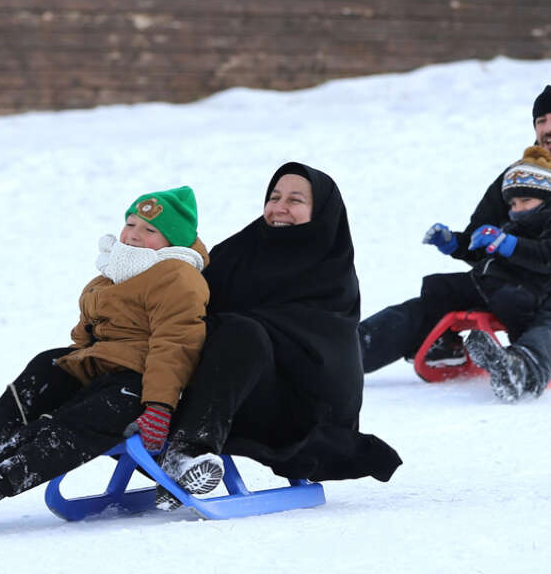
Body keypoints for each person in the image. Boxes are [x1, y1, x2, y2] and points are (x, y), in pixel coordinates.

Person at [0, 186, 210, 529]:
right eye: (131, 223)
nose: (134, 235)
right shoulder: (111, 274)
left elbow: (176, 344)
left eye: (150, 230)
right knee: (48, 365)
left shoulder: (177, 275)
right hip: (102, 370)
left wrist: (160, 408)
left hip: (142, 383)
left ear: (172, 242)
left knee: (65, 423)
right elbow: (84, 336)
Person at [360, 83, 551, 402]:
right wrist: (463, 243)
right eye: (541, 121)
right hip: (521, 273)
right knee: (436, 299)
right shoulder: (520, 175)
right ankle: (342, 353)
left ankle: (523, 369)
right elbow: (481, 234)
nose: (549, 128)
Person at [153, 162, 401, 510]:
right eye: (274, 196)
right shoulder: (242, 250)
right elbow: (188, 295)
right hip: (215, 392)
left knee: (241, 332)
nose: (280, 207)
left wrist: (221, 327)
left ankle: (186, 454)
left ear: (319, 212)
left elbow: (324, 354)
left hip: (293, 407)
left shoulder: (330, 271)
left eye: (296, 200)